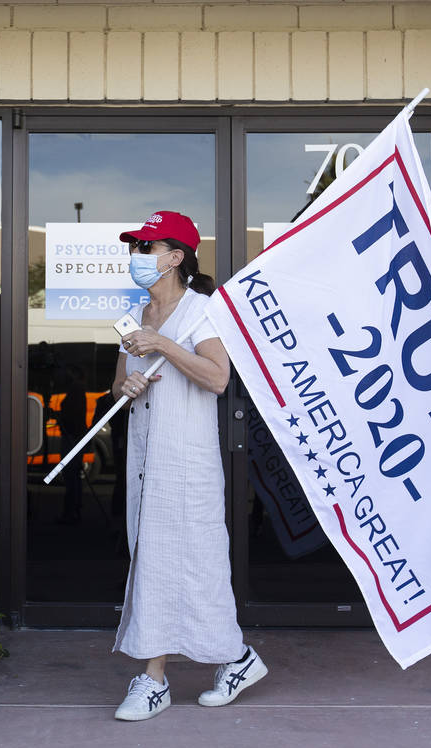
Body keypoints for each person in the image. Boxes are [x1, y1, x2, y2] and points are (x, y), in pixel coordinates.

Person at [110, 211, 267, 721]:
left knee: (197, 565)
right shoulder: (136, 316)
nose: (138, 257)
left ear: (175, 258)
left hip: (187, 464)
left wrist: (165, 345)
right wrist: (126, 386)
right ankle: (210, 665)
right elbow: (120, 384)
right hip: (145, 462)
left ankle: (171, 674)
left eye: (147, 248)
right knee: (152, 559)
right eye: (135, 248)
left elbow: (218, 378)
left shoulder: (202, 311)